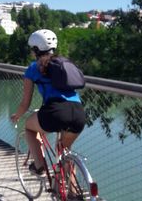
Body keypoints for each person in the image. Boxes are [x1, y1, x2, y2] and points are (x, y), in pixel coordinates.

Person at [10, 29, 86, 176]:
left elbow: (25, 103)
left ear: (36, 50)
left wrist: (17, 116)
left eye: (32, 49)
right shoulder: (64, 64)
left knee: (29, 127)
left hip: (55, 112)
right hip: (78, 112)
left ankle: (39, 166)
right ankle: (71, 194)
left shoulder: (33, 68)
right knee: (64, 151)